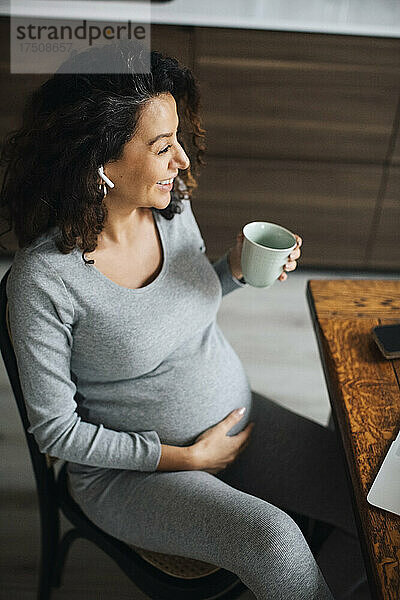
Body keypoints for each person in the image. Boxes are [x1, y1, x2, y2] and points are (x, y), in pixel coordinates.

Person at [0, 40, 370, 600]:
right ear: (98, 160)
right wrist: (185, 457)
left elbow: (180, 304)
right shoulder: (44, 281)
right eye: (162, 146)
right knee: (275, 540)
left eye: (179, 139)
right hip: (135, 477)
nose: (183, 161)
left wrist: (235, 270)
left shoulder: (171, 211)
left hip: (236, 416)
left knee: (371, 497)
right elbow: (56, 432)